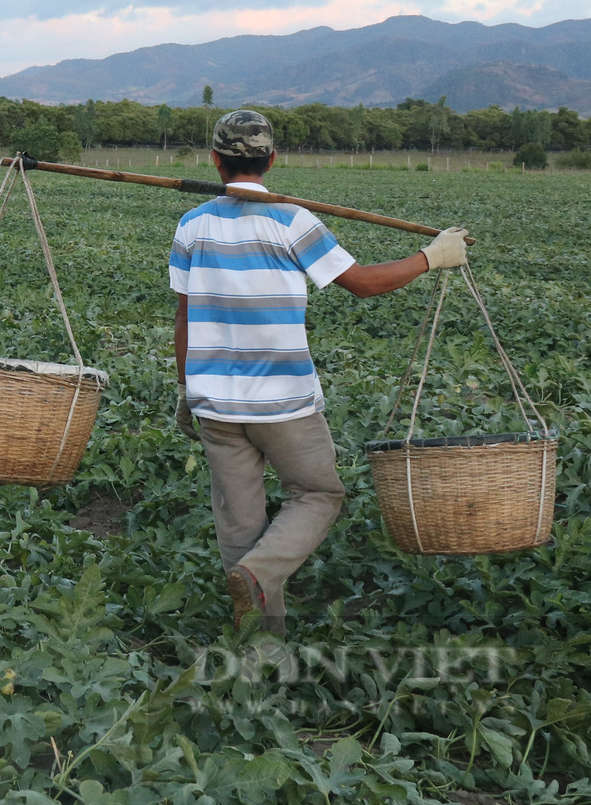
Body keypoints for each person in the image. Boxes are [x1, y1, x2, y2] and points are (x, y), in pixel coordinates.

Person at [171, 110, 468, 636]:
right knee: (318, 496)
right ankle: (258, 575)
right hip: (285, 402)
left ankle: (261, 644)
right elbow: (363, 284)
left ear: (214, 160)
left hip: (214, 402)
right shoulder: (293, 219)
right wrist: (432, 256)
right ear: (272, 159)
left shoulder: (192, 226)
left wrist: (183, 388)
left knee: (241, 524)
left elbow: (185, 313)